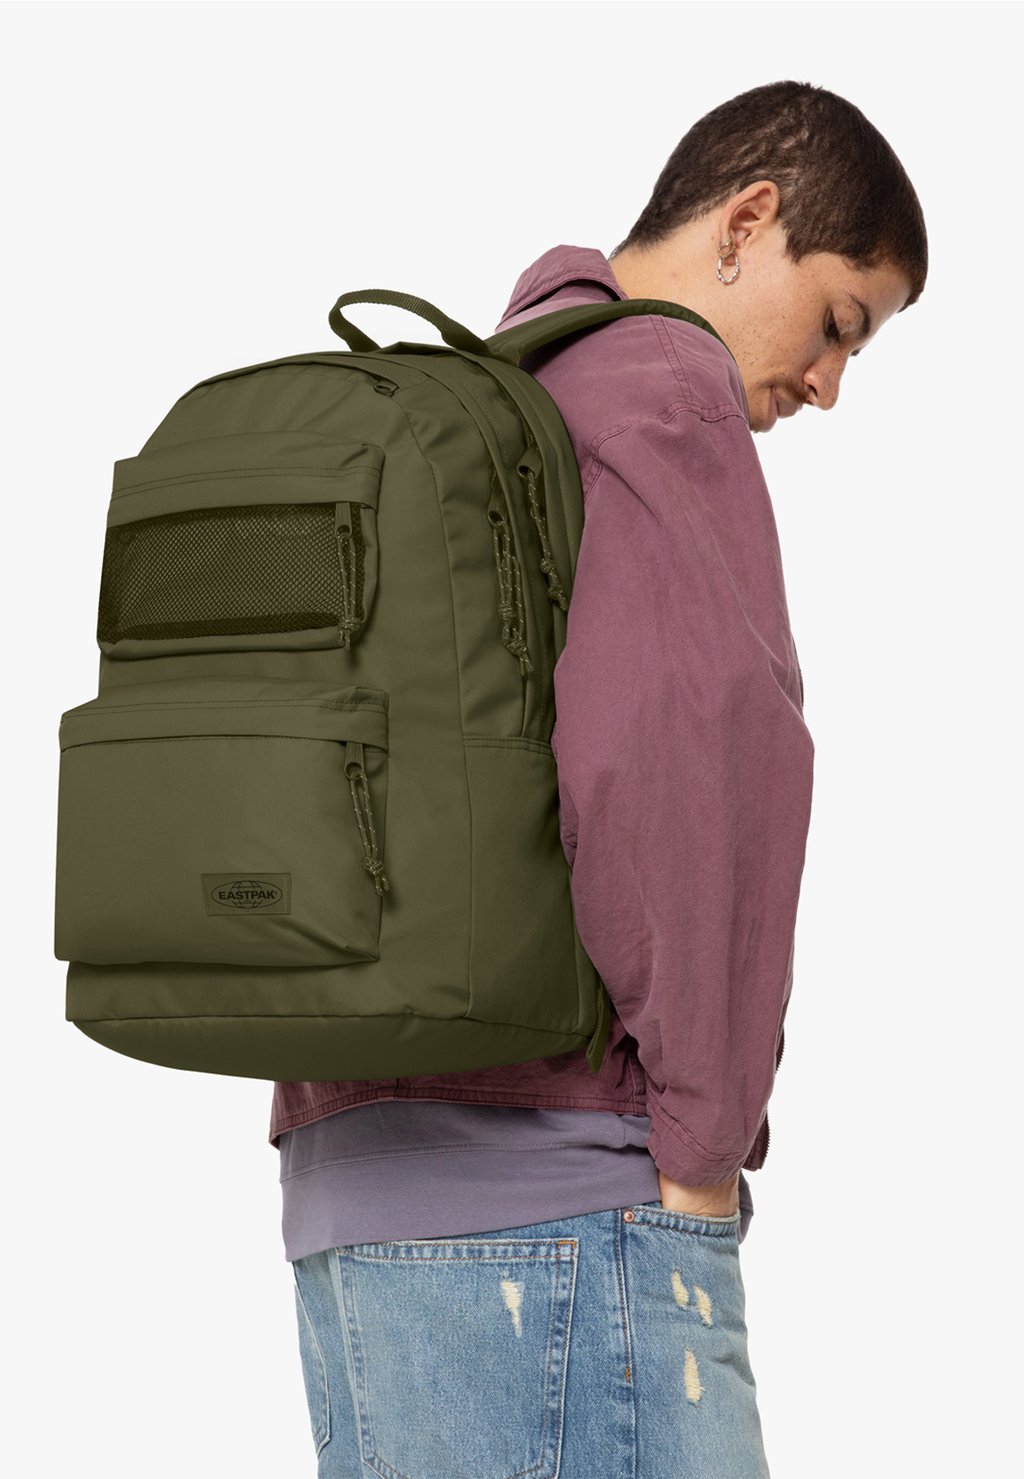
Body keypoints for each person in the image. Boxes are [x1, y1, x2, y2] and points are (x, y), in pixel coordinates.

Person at [282, 80, 927, 1477]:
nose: (829, 384)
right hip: (566, 1211)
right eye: (839, 324)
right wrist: (703, 1152)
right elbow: (686, 765)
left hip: (351, 1201)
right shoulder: (659, 393)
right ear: (749, 221)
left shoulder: (488, 394)